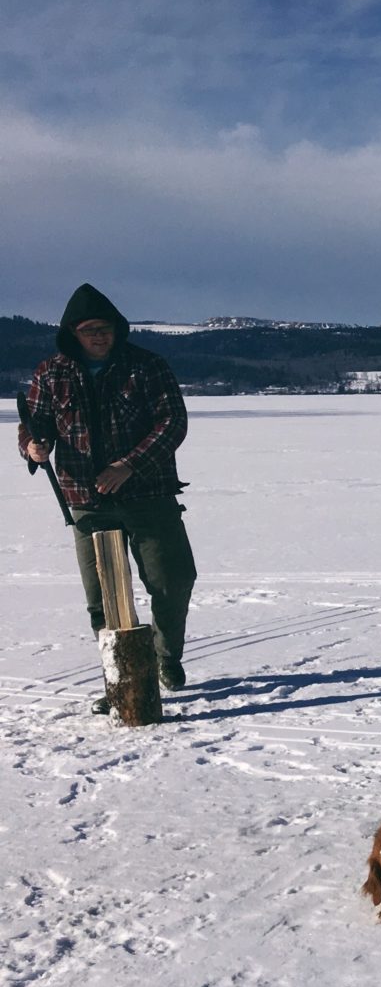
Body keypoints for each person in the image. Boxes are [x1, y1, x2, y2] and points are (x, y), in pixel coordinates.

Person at [17, 283, 197, 711]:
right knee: (105, 600)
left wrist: (128, 466)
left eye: (106, 328)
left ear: (118, 329)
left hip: (149, 494)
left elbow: (172, 422)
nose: (99, 336)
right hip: (85, 500)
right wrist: (32, 446)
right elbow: (34, 423)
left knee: (172, 580)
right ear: (72, 333)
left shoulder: (147, 366)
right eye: (89, 329)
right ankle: (122, 680)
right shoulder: (51, 372)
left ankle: (164, 657)